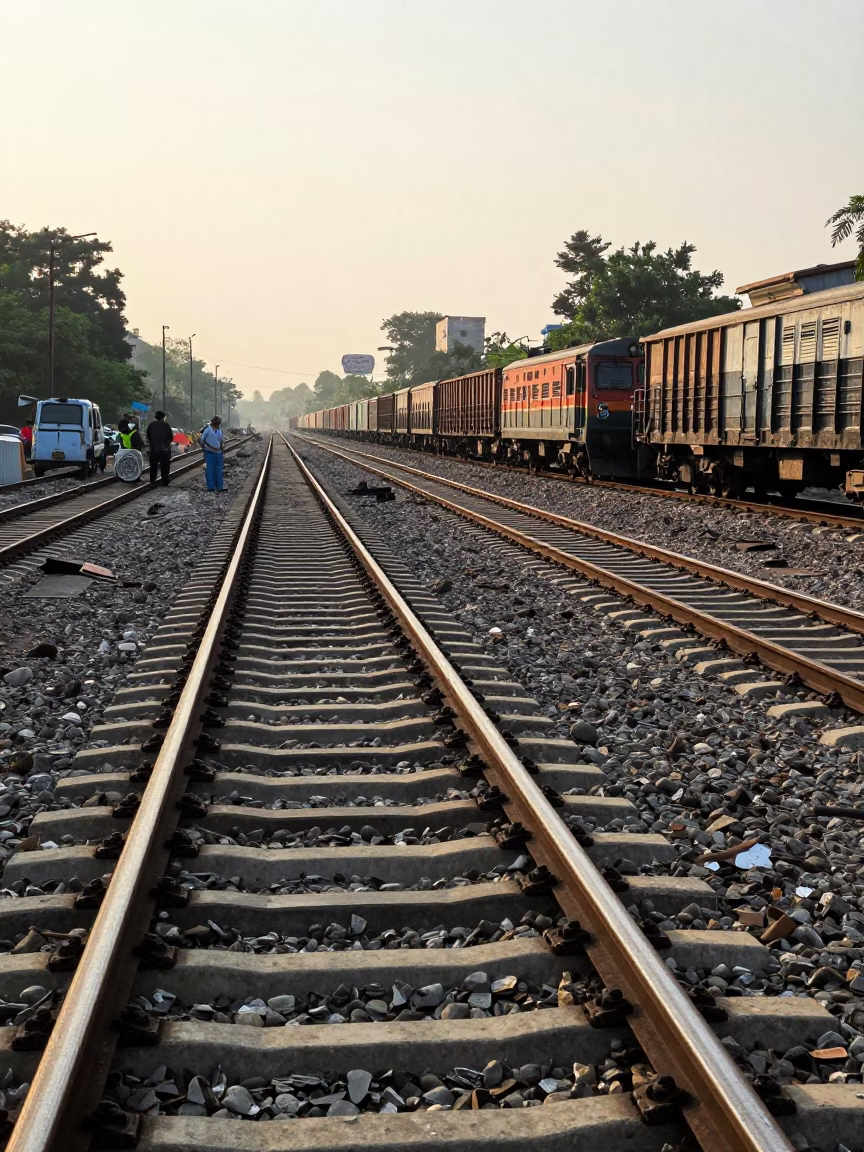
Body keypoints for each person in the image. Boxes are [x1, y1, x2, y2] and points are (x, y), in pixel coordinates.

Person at [146, 410, 174, 486]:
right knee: (165, 466)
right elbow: (171, 437)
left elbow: (148, 436)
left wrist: (152, 444)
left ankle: (152, 480)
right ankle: (165, 481)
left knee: (153, 465)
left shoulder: (151, 425)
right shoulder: (166, 425)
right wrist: (167, 445)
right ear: (163, 417)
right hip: (164, 449)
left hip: (154, 449)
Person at [200, 415, 225, 492]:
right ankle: (211, 487)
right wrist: (204, 449)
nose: (218, 425)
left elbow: (221, 440)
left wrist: (222, 448)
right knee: (210, 470)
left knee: (218, 470)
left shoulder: (219, 430)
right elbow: (202, 440)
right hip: (210, 453)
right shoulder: (208, 429)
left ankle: (219, 487)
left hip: (218, 453)